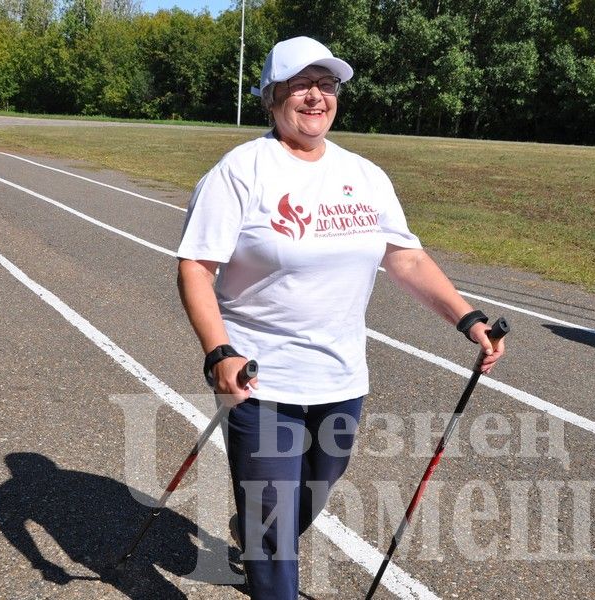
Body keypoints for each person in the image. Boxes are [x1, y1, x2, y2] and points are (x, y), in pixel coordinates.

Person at [176, 36, 504, 599]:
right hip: (262, 377)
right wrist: (219, 352)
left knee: (315, 490)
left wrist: (467, 317)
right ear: (272, 96)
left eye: (325, 85)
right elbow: (195, 268)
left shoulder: (365, 175)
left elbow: (403, 256)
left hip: (341, 376)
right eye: (301, 84)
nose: (315, 96)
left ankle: (249, 533)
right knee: (275, 531)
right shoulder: (240, 172)